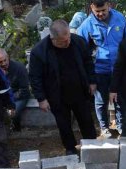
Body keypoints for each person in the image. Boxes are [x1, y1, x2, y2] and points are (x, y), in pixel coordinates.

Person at [29, 20, 97, 156]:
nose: (67, 43)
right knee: (63, 124)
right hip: (56, 95)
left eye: (68, 38)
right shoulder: (39, 52)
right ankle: (70, 148)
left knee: (86, 120)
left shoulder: (78, 42)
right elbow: (35, 77)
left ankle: (92, 144)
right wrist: (41, 99)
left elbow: (88, 62)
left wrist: (92, 81)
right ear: (53, 38)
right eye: (63, 41)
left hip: (80, 91)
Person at [77, 0, 126, 138]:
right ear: (91, 8)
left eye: (103, 11)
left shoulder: (120, 18)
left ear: (109, 5)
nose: (100, 14)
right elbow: (81, 51)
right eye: (97, 11)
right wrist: (89, 77)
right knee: (101, 101)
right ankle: (104, 127)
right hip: (100, 70)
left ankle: (120, 125)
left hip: (119, 69)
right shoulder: (86, 25)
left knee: (120, 99)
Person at [0, 48, 31, 131]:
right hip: (2, 96)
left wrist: (9, 101)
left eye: (5, 60)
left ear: (7, 56)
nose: (4, 63)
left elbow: (24, 90)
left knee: (13, 113)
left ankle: (16, 129)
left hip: (19, 96)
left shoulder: (19, 68)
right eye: (0, 62)